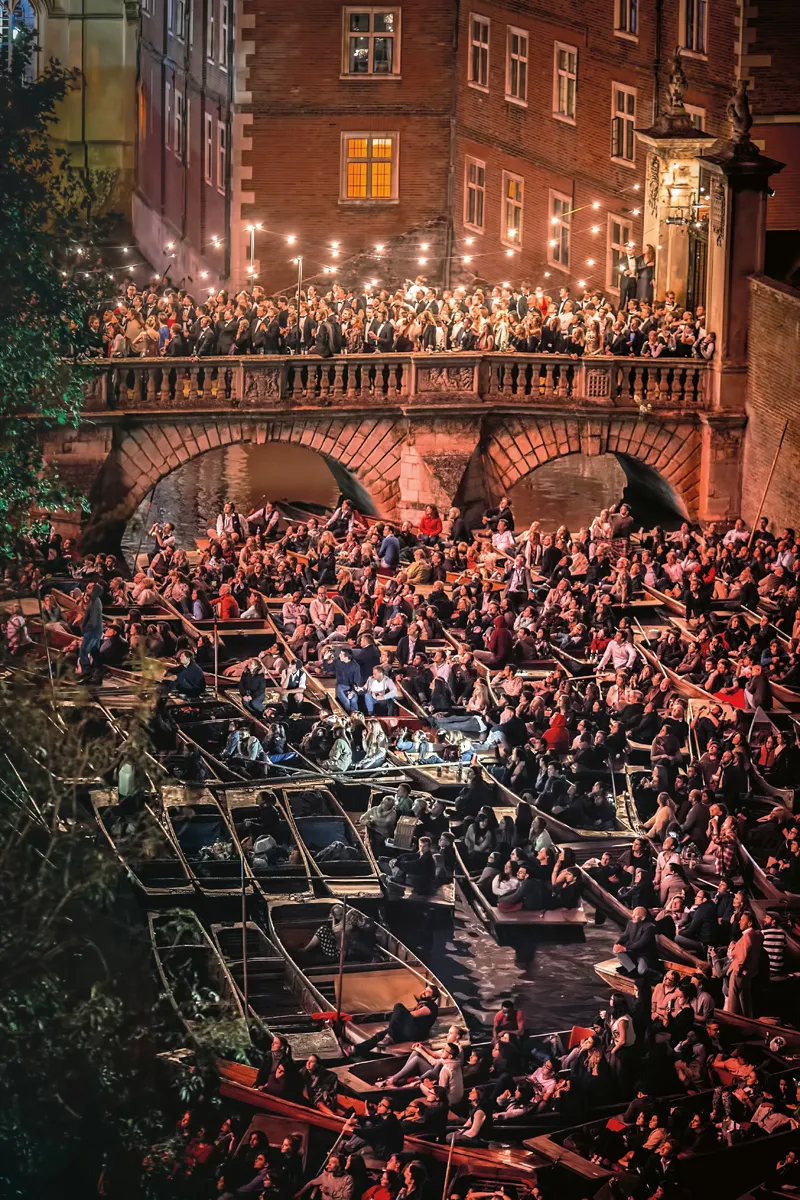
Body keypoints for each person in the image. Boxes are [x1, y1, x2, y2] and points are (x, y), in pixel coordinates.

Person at [354, 984, 441, 1054]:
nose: (424, 991)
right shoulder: (421, 1004)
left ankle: (390, 1034)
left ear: (433, 997)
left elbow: (414, 1015)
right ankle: (356, 1049)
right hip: (408, 1031)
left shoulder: (432, 1006)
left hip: (416, 1033)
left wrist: (400, 1015)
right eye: (425, 989)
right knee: (381, 1035)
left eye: (428, 991)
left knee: (398, 1007)